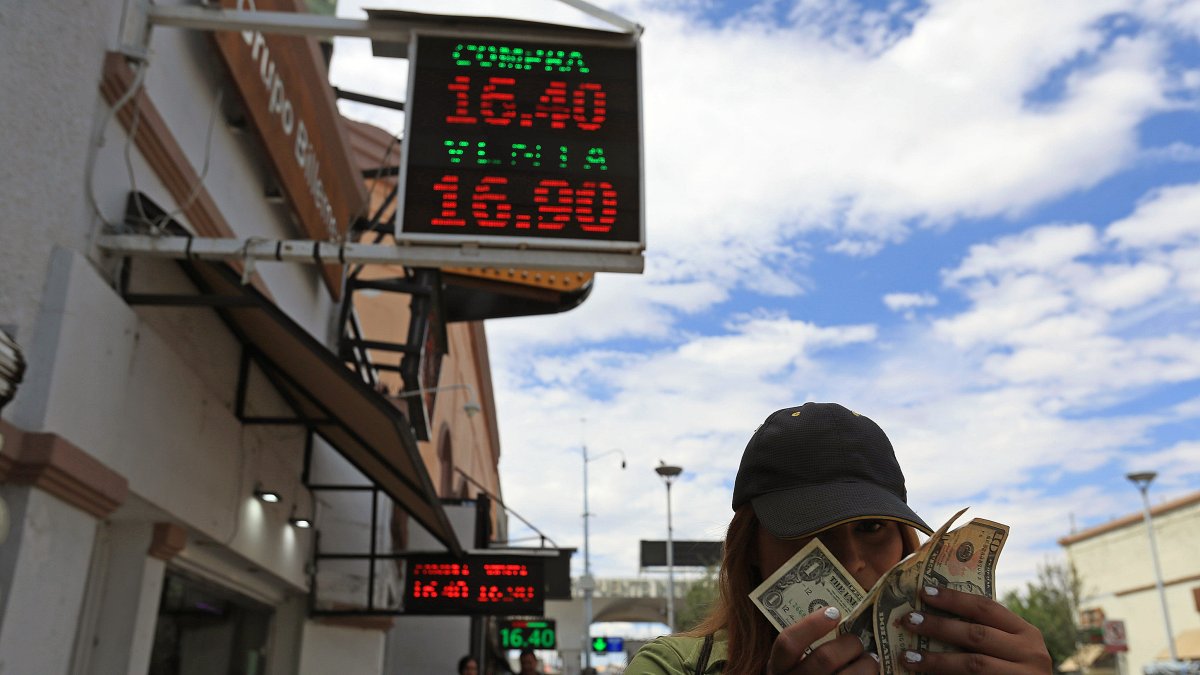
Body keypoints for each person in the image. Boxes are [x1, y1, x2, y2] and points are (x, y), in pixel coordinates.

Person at [627, 402, 1052, 675]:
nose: (851, 561)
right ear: (751, 549)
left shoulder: (964, 661)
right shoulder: (672, 668)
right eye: (810, 532)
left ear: (906, 543)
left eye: (872, 528)